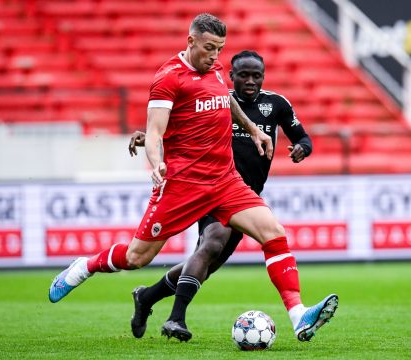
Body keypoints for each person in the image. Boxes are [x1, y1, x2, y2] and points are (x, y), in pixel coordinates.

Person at [48, 13, 338, 344]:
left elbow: (224, 99)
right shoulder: (168, 79)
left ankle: (298, 315)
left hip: (225, 180)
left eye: (219, 50)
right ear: (191, 42)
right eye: (209, 48)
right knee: (135, 257)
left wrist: (254, 128)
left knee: (273, 232)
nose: (215, 57)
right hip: (183, 185)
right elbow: (155, 132)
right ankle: (84, 267)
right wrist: (156, 162)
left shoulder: (213, 69)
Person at [128, 50, 333, 342]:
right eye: (243, 75)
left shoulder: (276, 104)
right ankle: (176, 319)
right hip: (213, 188)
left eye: (256, 75)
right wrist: (146, 134)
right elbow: (174, 120)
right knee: (211, 244)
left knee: (206, 266)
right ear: (231, 76)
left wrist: (302, 148)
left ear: (264, 76)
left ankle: (147, 297)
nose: (250, 81)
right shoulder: (216, 100)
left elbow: (303, 136)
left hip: (245, 197)